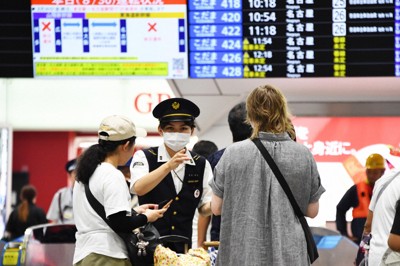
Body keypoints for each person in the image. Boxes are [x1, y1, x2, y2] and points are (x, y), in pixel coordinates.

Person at [209, 84, 325, 265]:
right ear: (282, 111)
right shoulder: (303, 154)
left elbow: (216, 208)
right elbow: (312, 211)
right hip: (290, 256)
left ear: (251, 115)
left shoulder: (232, 154)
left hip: (243, 256)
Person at [73, 115, 166, 266]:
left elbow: (100, 216)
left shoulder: (85, 173)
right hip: (107, 256)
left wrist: (134, 211)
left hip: (84, 254)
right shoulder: (112, 175)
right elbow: (120, 223)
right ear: (126, 145)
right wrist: (147, 217)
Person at [130, 97, 213, 253]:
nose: (177, 134)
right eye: (170, 129)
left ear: (192, 131)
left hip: (185, 249)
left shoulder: (201, 163)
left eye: (183, 129)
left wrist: (221, 201)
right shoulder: (145, 157)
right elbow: (138, 188)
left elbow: (204, 208)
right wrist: (168, 166)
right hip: (150, 247)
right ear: (161, 130)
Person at [207, 101, 252, 242]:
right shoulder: (266, 158)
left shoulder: (217, 158)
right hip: (256, 236)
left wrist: (201, 242)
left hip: (222, 237)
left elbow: (209, 204)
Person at [336, 153, 386, 244]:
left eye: (375, 172)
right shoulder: (356, 189)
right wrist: (344, 235)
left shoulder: (387, 190)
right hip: (360, 242)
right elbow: (340, 209)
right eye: (369, 171)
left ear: (383, 171)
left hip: (381, 241)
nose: (371, 175)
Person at [366, 168, 400, 265]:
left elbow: (368, 225)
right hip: (394, 259)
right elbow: (395, 242)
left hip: (375, 256)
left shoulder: (383, 180)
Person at [191, 140, 218, 248]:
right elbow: (204, 214)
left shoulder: (188, 178)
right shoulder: (211, 183)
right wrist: (201, 247)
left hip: (188, 243)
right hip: (204, 245)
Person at [47, 158, 76, 224]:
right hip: (65, 232)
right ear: (69, 176)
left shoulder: (89, 194)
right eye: (75, 173)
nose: (78, 176)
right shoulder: (60, 195)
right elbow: (54, 221)